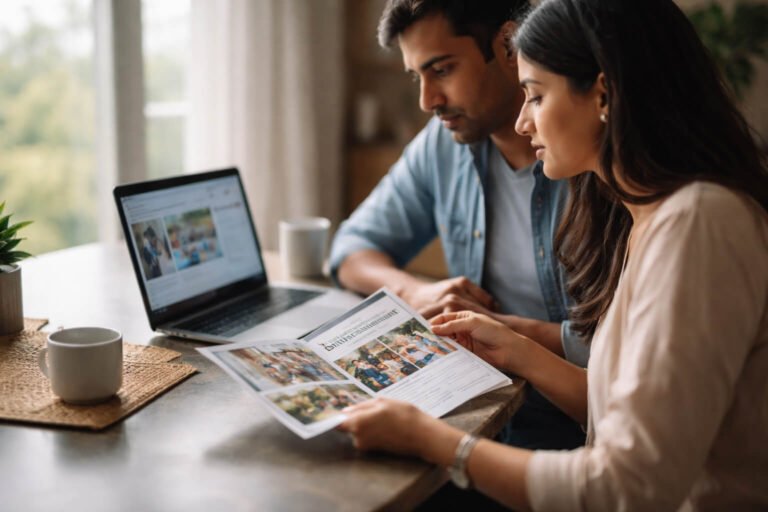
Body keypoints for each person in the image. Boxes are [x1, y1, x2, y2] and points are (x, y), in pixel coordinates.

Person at [338, 0, 768, 509]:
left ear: (603, 93)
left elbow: (629, 486)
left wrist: (433, 441)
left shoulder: (698, 223)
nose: (524, 123)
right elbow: (627, 414)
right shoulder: (651, 217)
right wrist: (516, 347)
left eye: (536, 96)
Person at [331, 0, 586, 450]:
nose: (428, 100)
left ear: (508, 46)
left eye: (442, 70)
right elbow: (352, 246)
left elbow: (635, 352)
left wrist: (508, 332)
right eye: (418, 77)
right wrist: (415, 292)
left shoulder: (595, 158)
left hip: (579, 429)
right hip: (478, 414)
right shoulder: (444, 145)